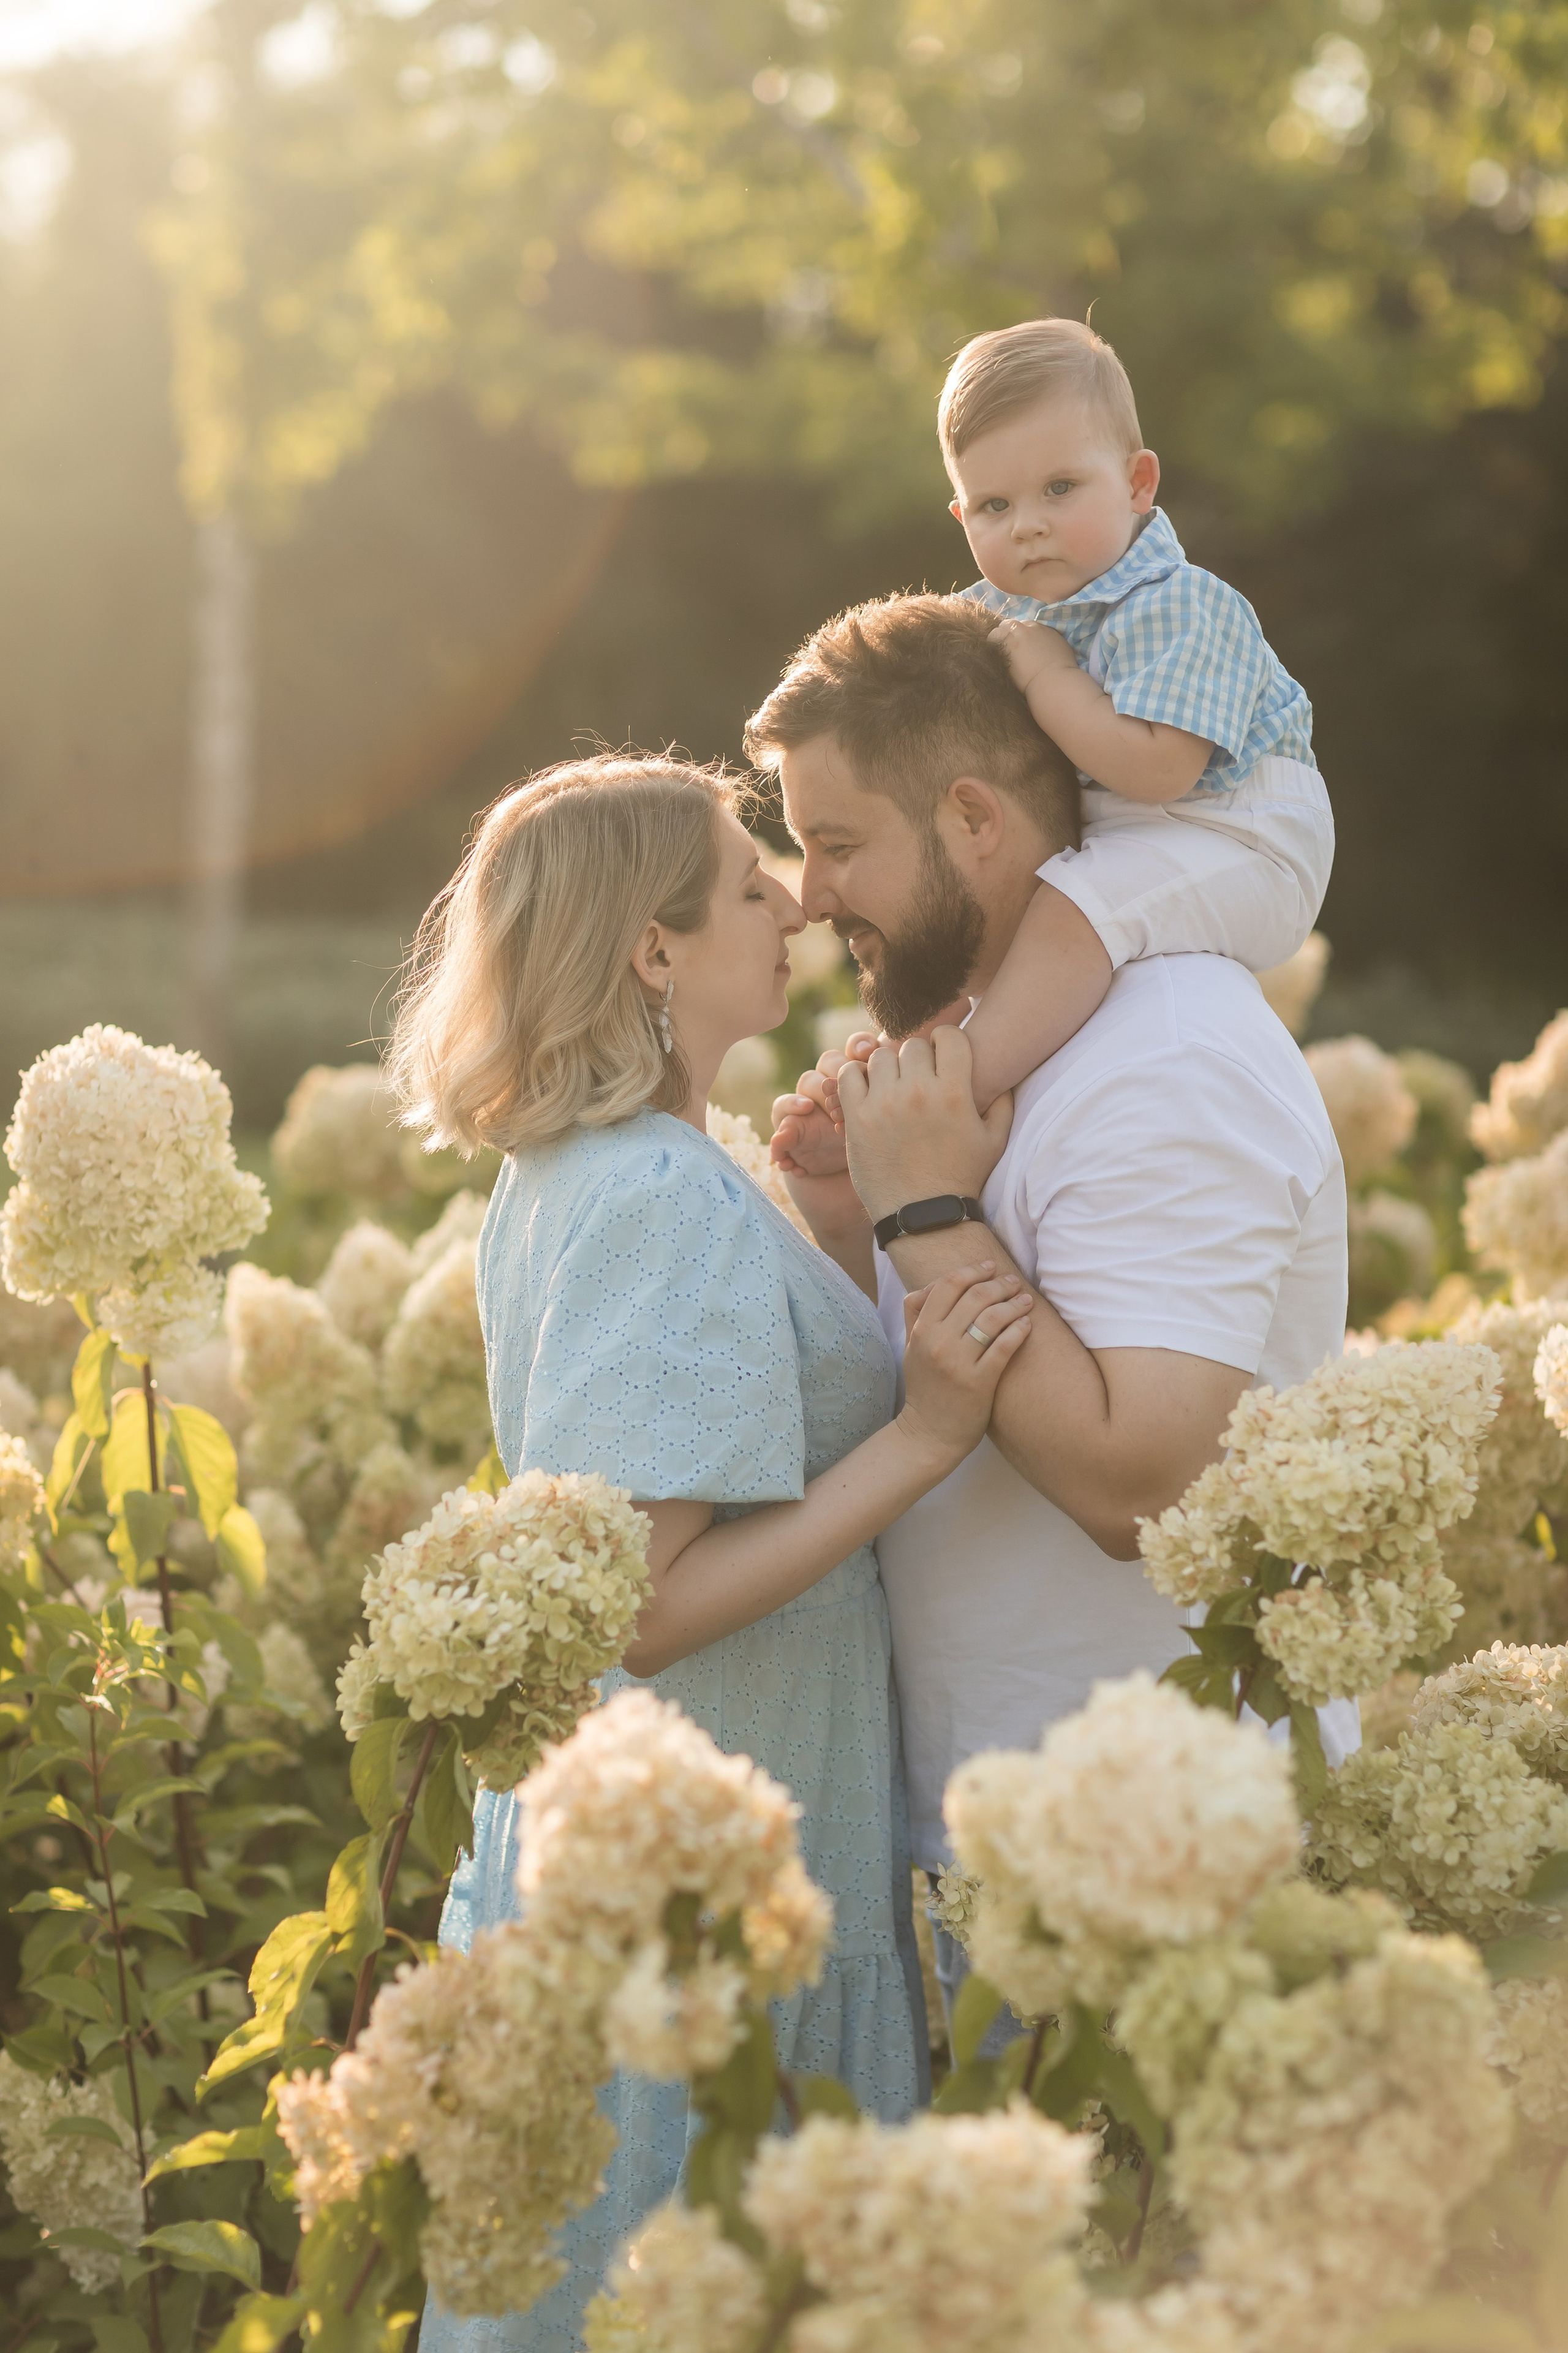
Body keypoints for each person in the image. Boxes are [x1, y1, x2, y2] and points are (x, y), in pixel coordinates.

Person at [388, 753, 1032, 2350]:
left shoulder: (606, 1172)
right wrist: (930, 1437)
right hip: (711, 1899)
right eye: (752, 884)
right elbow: (648, 1605)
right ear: (653, 950)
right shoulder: (660, 1196)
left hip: (671, 1872)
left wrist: (818, 1219)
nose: (797, 899)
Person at [753, 595, 1357, 2029]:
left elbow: (1137, 1479)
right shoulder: (973, 1051)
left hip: (1164, 1876)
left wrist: (924, 1215)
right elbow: (952, 1413)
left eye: (836, 844)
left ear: (971, 818)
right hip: (1005, 1850)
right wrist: (857, 1226)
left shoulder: (1165, 1061)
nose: (802, 895)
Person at [932, 315, 1335, 1110]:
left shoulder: (1180, 604)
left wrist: (1050, 681)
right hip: (1127, 828)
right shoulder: (998, 611)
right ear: (961, 517)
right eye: (994, 505)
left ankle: (962, 1088)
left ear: (1137, 483)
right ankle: (920, 1053)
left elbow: (1157, 769)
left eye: (1059, 489)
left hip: (1240, 829)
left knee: (1079, 911)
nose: (1028, 524)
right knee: (971, 907)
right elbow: (914, 663)